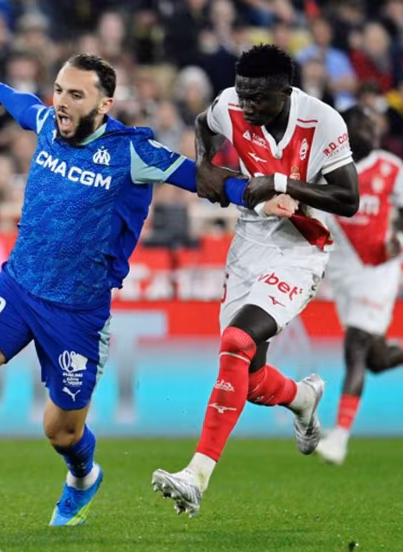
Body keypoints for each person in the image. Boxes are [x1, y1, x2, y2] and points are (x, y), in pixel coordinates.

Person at [0, 53, 294, 526]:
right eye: (59, 90)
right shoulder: (49, 123)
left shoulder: (131, 152)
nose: (62, 103)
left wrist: (260, 195)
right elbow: (24, 105)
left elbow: (202, 178)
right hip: (18, 287)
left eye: (76, 94)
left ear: (104, 103)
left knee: (60, 432)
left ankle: (83, 477)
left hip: (77, 314)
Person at [152, 44, 361, 517]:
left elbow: (348, 199)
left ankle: (196, 475)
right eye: (243, 96)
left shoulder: (323, 120)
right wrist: (206, 162)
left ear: (285, 91)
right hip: (249, 242)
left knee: (237, 339)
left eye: (258, 99)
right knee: (246, 376)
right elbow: (203, 123)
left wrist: (281, 183)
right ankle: (303, 398)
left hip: (301, 247)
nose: (246, 107)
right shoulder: (229, 103)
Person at [316, 109, 403, 465]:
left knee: (356, 346)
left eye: (372, 126)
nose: (371, 132)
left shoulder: (391, 167)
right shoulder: (325, 168)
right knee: (375, 359)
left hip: (379, 268)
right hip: (344, 270)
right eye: (362, 126)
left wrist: (401, 236)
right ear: (343, 133)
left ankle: (340, 437)